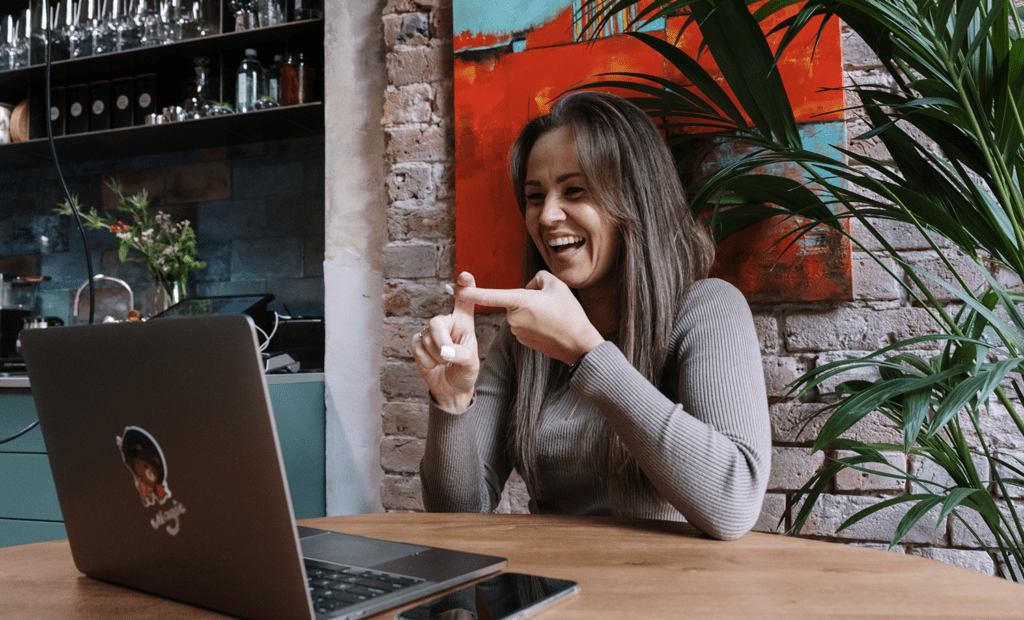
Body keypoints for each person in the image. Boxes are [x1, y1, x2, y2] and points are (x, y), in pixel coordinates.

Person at [412, 91, 770, 540]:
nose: (548, 216)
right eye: (534, 196)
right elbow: (457, 517)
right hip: (552, 596)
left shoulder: (707, 309)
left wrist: (587, 354)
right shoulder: (523, 338)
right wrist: (452, 402)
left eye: (574, 190)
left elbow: (734, 506)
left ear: (635, 199)